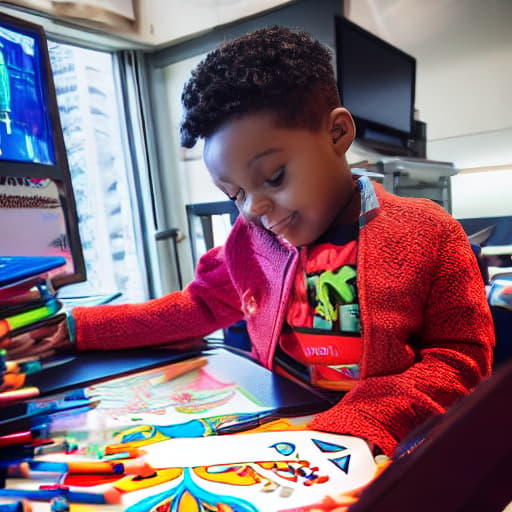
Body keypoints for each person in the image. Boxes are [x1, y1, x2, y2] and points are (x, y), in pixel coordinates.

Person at [46, 26, 494, 457]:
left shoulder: (427, 231)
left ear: (338, 133)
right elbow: (199, 306)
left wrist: (363, 422)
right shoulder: (250, 239)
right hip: (285, 428)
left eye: (274, 177)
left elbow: (461, 360)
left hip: (390, 440)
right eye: (235, 194)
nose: (253, 209)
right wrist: (77, 327)